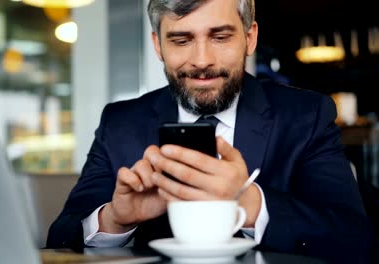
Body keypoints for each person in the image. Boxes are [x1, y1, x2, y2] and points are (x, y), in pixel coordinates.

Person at [47, 0, 372, 261]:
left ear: (250, 37)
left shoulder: (306, 115)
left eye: (220, 37)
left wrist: (246, 204)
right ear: (158, 44)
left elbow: (354, 239)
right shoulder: (119, 122)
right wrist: (116, 220)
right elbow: (59, 237)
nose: (202, 60)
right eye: (181, 39)